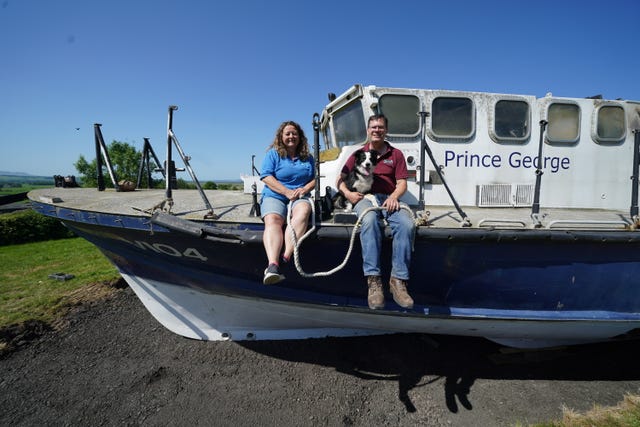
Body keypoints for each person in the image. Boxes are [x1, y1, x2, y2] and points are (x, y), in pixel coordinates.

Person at [336, 114, 415, 309]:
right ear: (368, 130)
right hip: (364, 197)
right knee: (369, 220)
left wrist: (394, 197)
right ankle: (374, 281)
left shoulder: (396, 154)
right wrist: (348, 194)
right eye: (373, 127)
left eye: (380, 127)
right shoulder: (358, 153)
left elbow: (402, 183)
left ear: (386, 130)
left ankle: (398, 281)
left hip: (389, 198)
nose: (377, 130)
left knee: (406, 224)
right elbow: (340, 179)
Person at [260, 121, 316, 285]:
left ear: (299, 137)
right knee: (273, 220)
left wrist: (305, 189)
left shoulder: (308, 158)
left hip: (300, 196)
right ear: (281, 137)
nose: (291, 136)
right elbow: (266, 176)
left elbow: (315, 179)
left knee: (303, 213)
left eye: (294, 133)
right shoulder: (273, 154)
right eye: (288, 133)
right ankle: (272, 265)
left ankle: (285, 257)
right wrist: (286, 192)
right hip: (275, 194)